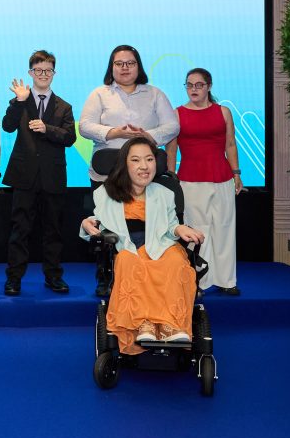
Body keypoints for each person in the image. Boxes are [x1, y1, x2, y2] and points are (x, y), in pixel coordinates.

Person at [81, 137, 204, 354]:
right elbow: (96, 220)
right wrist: (86, 223)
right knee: (129, 262)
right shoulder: (106, 194)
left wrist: (180, 229)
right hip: (128, 247)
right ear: (125, 164)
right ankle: (144, 324)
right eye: (136, 160)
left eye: (149, 159)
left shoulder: (165, 193)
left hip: (161, 245)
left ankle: (171, 326)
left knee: (176, 261)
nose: (144, 166)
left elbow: (171, 226)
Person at [79, 45, 178, 296]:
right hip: (108, 173)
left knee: (145, 226)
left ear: (138, 66)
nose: (124, 68)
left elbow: (172, 126)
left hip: (146, 173)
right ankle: (105, 275)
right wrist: (115, 133)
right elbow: (85, 126)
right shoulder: (100, 94)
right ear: (111, 67)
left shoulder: (155, 94)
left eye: (130, 63)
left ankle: (150, 270)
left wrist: (146, 137)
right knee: (106, 227)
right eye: (119, 63)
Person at [3, 50, 77, 295]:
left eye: (48, 70)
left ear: (54, 74)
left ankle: (54, 276)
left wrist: (47, 129)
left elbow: (69, 137)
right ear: (30, 73)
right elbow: (8, 126)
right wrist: (21, 101)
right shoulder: (20, 100)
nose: (43, 75)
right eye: (38, 70)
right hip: (24, 176)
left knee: (53, 230)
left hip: (53, 177)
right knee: (19, 230)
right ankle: (14, 278)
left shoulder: (64, 106)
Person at [166, 68, 243, 296]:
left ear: (209, 86)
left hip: (223, 178)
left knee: (225, 228)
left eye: (198, 85)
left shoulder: (224, 112)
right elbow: (171, 151)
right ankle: (198, 280)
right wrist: (171, 180)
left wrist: (236, 174)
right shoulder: (177, 113)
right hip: (189, 180)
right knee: (196, 231)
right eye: (189, 85)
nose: (193, 89)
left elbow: (230, 145)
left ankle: (227, 280)